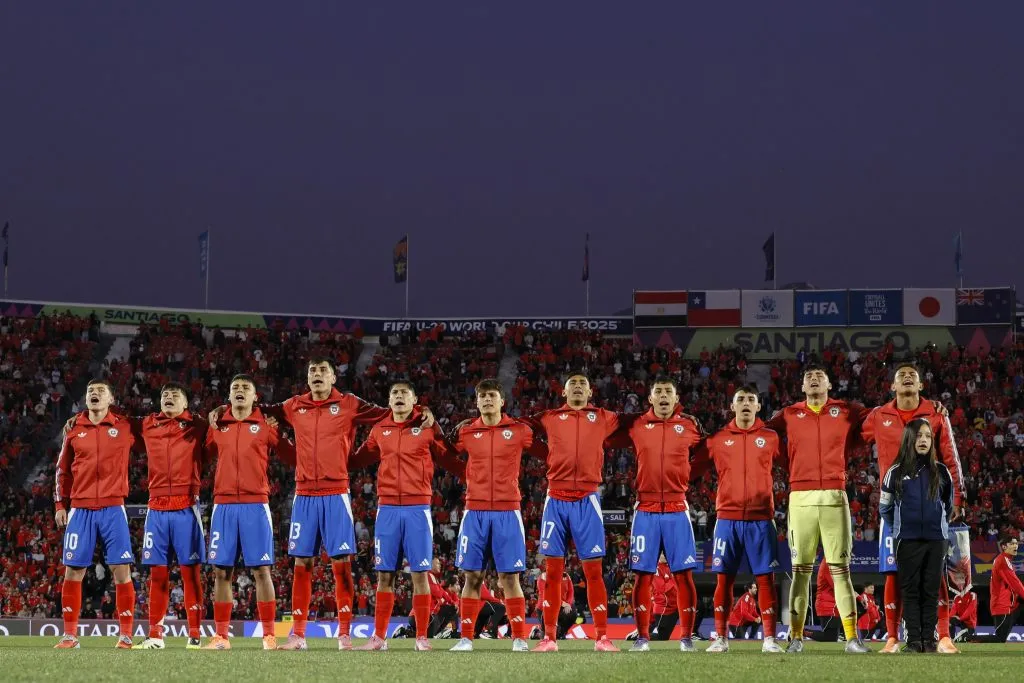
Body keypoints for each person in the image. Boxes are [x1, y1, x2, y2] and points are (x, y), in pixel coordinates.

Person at [211, 358, 431, 651]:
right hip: (304, 495)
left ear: (333, 378)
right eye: (312, 371)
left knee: (341, 564)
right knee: (302, 564)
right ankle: (298, 635)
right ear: (307, 377)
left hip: (336, 492)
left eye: (322, 371)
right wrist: (219, 410)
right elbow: (254, 409)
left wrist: (422, 411)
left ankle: (343, 634)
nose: (316, 375)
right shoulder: (293, 405)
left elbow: (391, 412)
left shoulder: (350, 404)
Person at [349, 380, 465, 652]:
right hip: (387, 509)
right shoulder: (380, 429)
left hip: (417, 510)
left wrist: (476, 474)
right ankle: (379, 638)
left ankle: (422, 638)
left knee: (420, 576)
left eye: (404, 393)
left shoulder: (425, 428)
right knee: (385, 576)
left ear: (415, 400)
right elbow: (356, 460)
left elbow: (449, 456)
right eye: (394, 393)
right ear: (389, 401)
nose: (399, 396)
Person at [860, 362, 965, 653]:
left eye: (913, 376)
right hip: (896, 510)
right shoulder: (878, 416)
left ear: (920, 385)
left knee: (935, 575)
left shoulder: (936, 414)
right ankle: (893, 637)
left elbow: (950, 457)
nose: (907, 378)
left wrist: (958, 498)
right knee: (893, 573)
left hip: (930, 508)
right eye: (901, 376)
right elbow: (850, 436)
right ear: (892, 386)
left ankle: (943, 636)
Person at [767, 364, 871, 653]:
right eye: (808, 378)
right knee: (800, 572)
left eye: (819, 377)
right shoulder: (789, 413)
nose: (814, 380)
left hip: (835, 497)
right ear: (802, 387)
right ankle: (796, 638)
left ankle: (851, 639)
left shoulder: (846, 410)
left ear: (829, 385)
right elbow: (761, 436)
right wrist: (789, 464)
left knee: (841, 571)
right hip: (800, 497)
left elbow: (879, 418)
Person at [525, 374, 630, 653]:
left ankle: (602, 638)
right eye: (574, 384)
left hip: (587, 498)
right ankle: (549, 638)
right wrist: (545, 453)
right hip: (556, 499)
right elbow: (520, 429)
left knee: (594, 572)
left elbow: (635, 424)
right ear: (563, 392)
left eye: (584, 384)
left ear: (591, 391)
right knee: (553, 573)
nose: (579, 387)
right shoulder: (549, 417)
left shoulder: (603, 417)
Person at [605, 376, 701, 653]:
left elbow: (707, 453)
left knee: (684, 576)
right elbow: (607, 437)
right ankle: (643, 637)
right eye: (657, 391)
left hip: (677, 508)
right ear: (650, 399)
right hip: (645, 509)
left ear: (675, 398)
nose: (662, 396)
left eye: (667, 392)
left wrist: (686, 477)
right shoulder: (637, 425)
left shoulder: (689, 427)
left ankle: (686, 638)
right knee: (642, 576)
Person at [202, 375, 295, 650]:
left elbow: (290, 456)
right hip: (223, 505)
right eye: (235, 388)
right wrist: (209, 421)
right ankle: (221, 637)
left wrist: (281, 430)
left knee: (262, 571)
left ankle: (269, 636)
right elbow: (202, 455)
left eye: (245, 388)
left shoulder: (265, 426)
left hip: (256, 505)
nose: (239, 391)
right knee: (221, 572)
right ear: (228, 397)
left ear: (256, 397)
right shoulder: (217, 425)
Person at [694, 386, 784, 654]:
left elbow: (794, 464)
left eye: (751, 400)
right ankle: (721, 637)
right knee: (724, 579)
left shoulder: (771, 438)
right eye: (741, 400)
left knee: (766, 579)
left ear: (758, 407)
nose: (746, 403)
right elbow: (690, 468)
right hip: (727, 519)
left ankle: (769, 638)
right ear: (732, 407)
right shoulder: (718, 439)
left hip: (761, 519)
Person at [446, 379, 532, 653]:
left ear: (502, 401)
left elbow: (545, 444)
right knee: (472, 577)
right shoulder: (467, 432)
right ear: (477, 402)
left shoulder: (519, 431)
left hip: (508, 510)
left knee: (509, 578)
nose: (486, 400)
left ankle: (519, 638)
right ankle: (466, 638)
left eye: (492, 396)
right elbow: (444, 452)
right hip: (475, 511)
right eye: (482, 397)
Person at [54, 379, 138, 650]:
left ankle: (125, 635)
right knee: (73, 571)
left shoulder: (125, 426)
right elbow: (62, 471)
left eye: (101, 391)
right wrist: (59, 505)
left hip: (114, 508)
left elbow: (160, 424)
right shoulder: (74, 429)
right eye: (90, 391)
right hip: (80, 509)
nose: (94, 394)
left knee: (121, 570)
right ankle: (69, 636)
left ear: (111, 399)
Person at [129, 384, 208, 650]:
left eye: (175, 395)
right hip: (156, 507)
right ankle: (155, 635)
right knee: (158, 575)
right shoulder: (148, 423)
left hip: (187, 506)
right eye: (164, 395)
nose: (169, 398)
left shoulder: (198, 425)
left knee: (191, 574)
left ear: (186, 403)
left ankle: (195, 634)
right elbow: (115, 419)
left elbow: (223, 421)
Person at [880, 418, 955, 653]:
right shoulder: (895, 471)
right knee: (911, 591)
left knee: (930, 591)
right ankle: (913, 642)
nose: (923, 440)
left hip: (935, 540)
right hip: (907, 540)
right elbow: (885, 508)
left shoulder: (942, 471)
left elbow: (948, 506)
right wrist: (899, 529)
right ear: (909, 439)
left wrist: (937, 526)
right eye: (919, 435)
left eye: (927, 436)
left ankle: (929, 641)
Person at [972, 535, 1024, 642]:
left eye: (1016, 543)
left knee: (1001, 638)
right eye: (1012, 544)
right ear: (1004, 547)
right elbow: (1015, 583)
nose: (1015, 546)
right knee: (1000, 638)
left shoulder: (1005, 560)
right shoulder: (1003, 561)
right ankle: (967, 638)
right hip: (1001, 605)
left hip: (1006, 605)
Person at [533, 570, 576, 640]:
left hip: (561, 607)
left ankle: (562, 633)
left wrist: (568, 603)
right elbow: (546, 595)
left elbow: (571, 591)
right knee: (547, 636)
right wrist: (563, 603)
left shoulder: (566, 576)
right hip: (545, 607)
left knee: (572, 612)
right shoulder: (543, 577)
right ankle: (537, 632)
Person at [808, 560, 842, 642]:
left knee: (832, 637)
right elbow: (837, 585)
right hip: (827, 605)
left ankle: (798, 631)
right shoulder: (828, 564)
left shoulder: (832, 563)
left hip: (832, 605)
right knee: (830, 637)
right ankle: (799, 631)